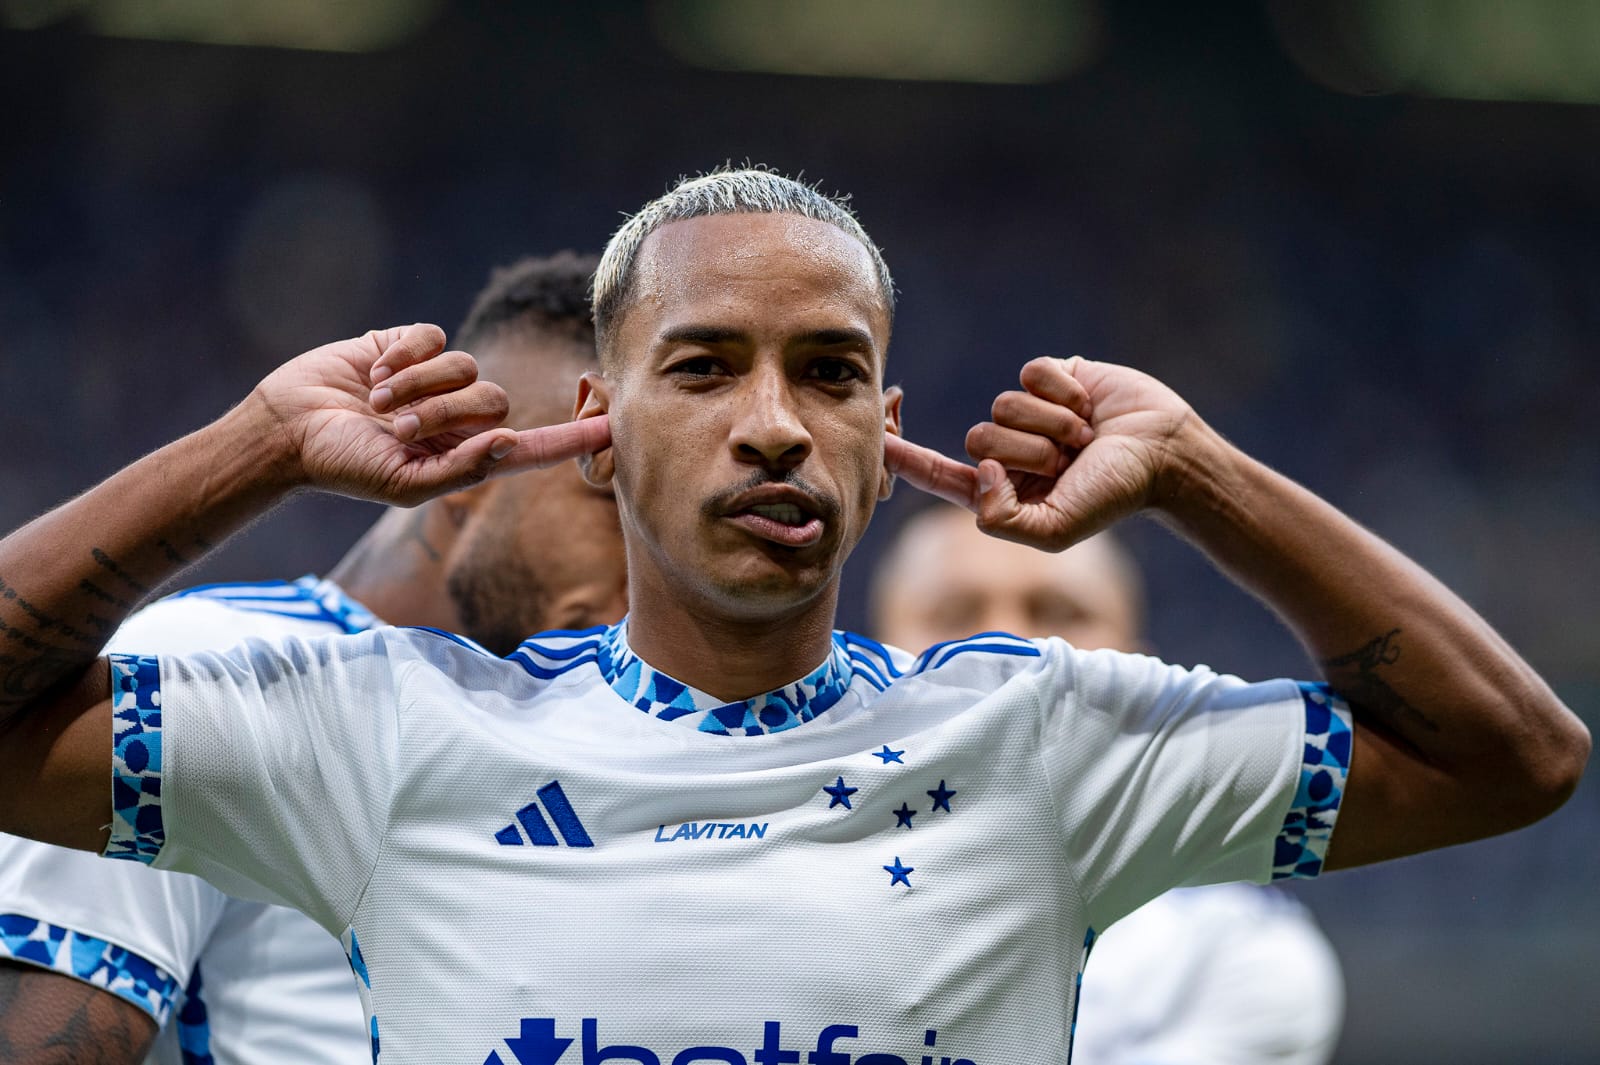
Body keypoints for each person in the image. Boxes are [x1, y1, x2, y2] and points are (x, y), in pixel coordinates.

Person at [0, 168, 1587, 1065]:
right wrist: (252, 450)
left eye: (828, 372)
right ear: (596, 423)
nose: (774, 422)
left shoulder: (1040, 737)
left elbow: (1511, 758)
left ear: (888, 438)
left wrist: (1202, 473)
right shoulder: (382, 727)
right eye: (704, 367)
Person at [0, 252, 627, 1063]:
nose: (644, 562)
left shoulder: (597, 731)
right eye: (609, 502)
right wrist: (262, 446)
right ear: (476, 457)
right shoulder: (203, 664)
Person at [872, 507, 1345, 1065]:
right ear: (869, 662)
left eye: (1060, 612)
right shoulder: (758, 893)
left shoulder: (1230, 954)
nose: (1005, 646)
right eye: (953, 612)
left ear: (1142, 673)